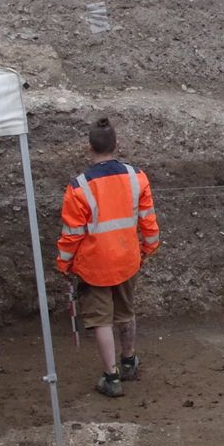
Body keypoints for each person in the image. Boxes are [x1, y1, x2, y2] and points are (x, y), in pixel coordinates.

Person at [55, 116, 161, 398]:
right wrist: (149, 247)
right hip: (127, 259)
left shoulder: (78, 187)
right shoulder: (136, 177)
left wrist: (63, 263)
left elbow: (72, 234)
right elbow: (147, 219)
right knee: (125, 312)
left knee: (101, 320)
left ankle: (111, 377)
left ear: (90, 148)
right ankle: (129, 362)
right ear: (117, 144)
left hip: (94, 267)